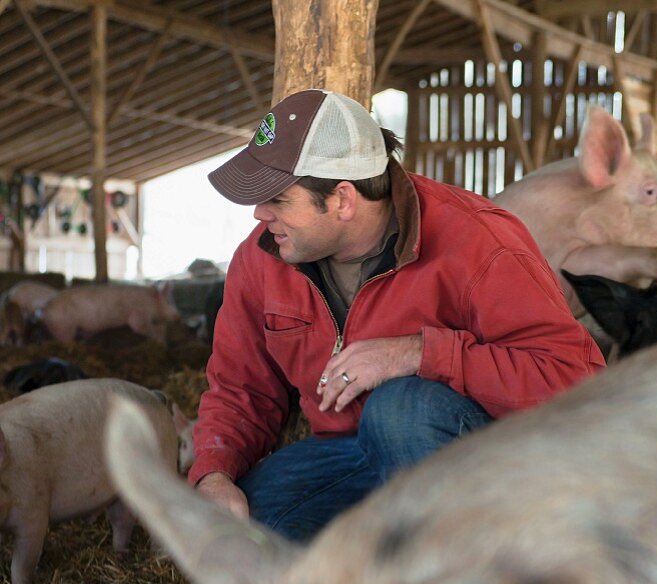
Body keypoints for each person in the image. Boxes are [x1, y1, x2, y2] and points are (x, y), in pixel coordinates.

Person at [189, 88, 605, 539]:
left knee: (401, 410)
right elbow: (240, 387)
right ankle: (389, 557)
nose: (257, 214)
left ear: (343, 200)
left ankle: (477, 567)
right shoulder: (262, 259)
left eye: (278, 200)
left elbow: (575, 380)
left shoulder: (479, 242)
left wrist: (419, 354)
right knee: (253, 524)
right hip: (350, 454)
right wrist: (214, 473)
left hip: (477, 458)